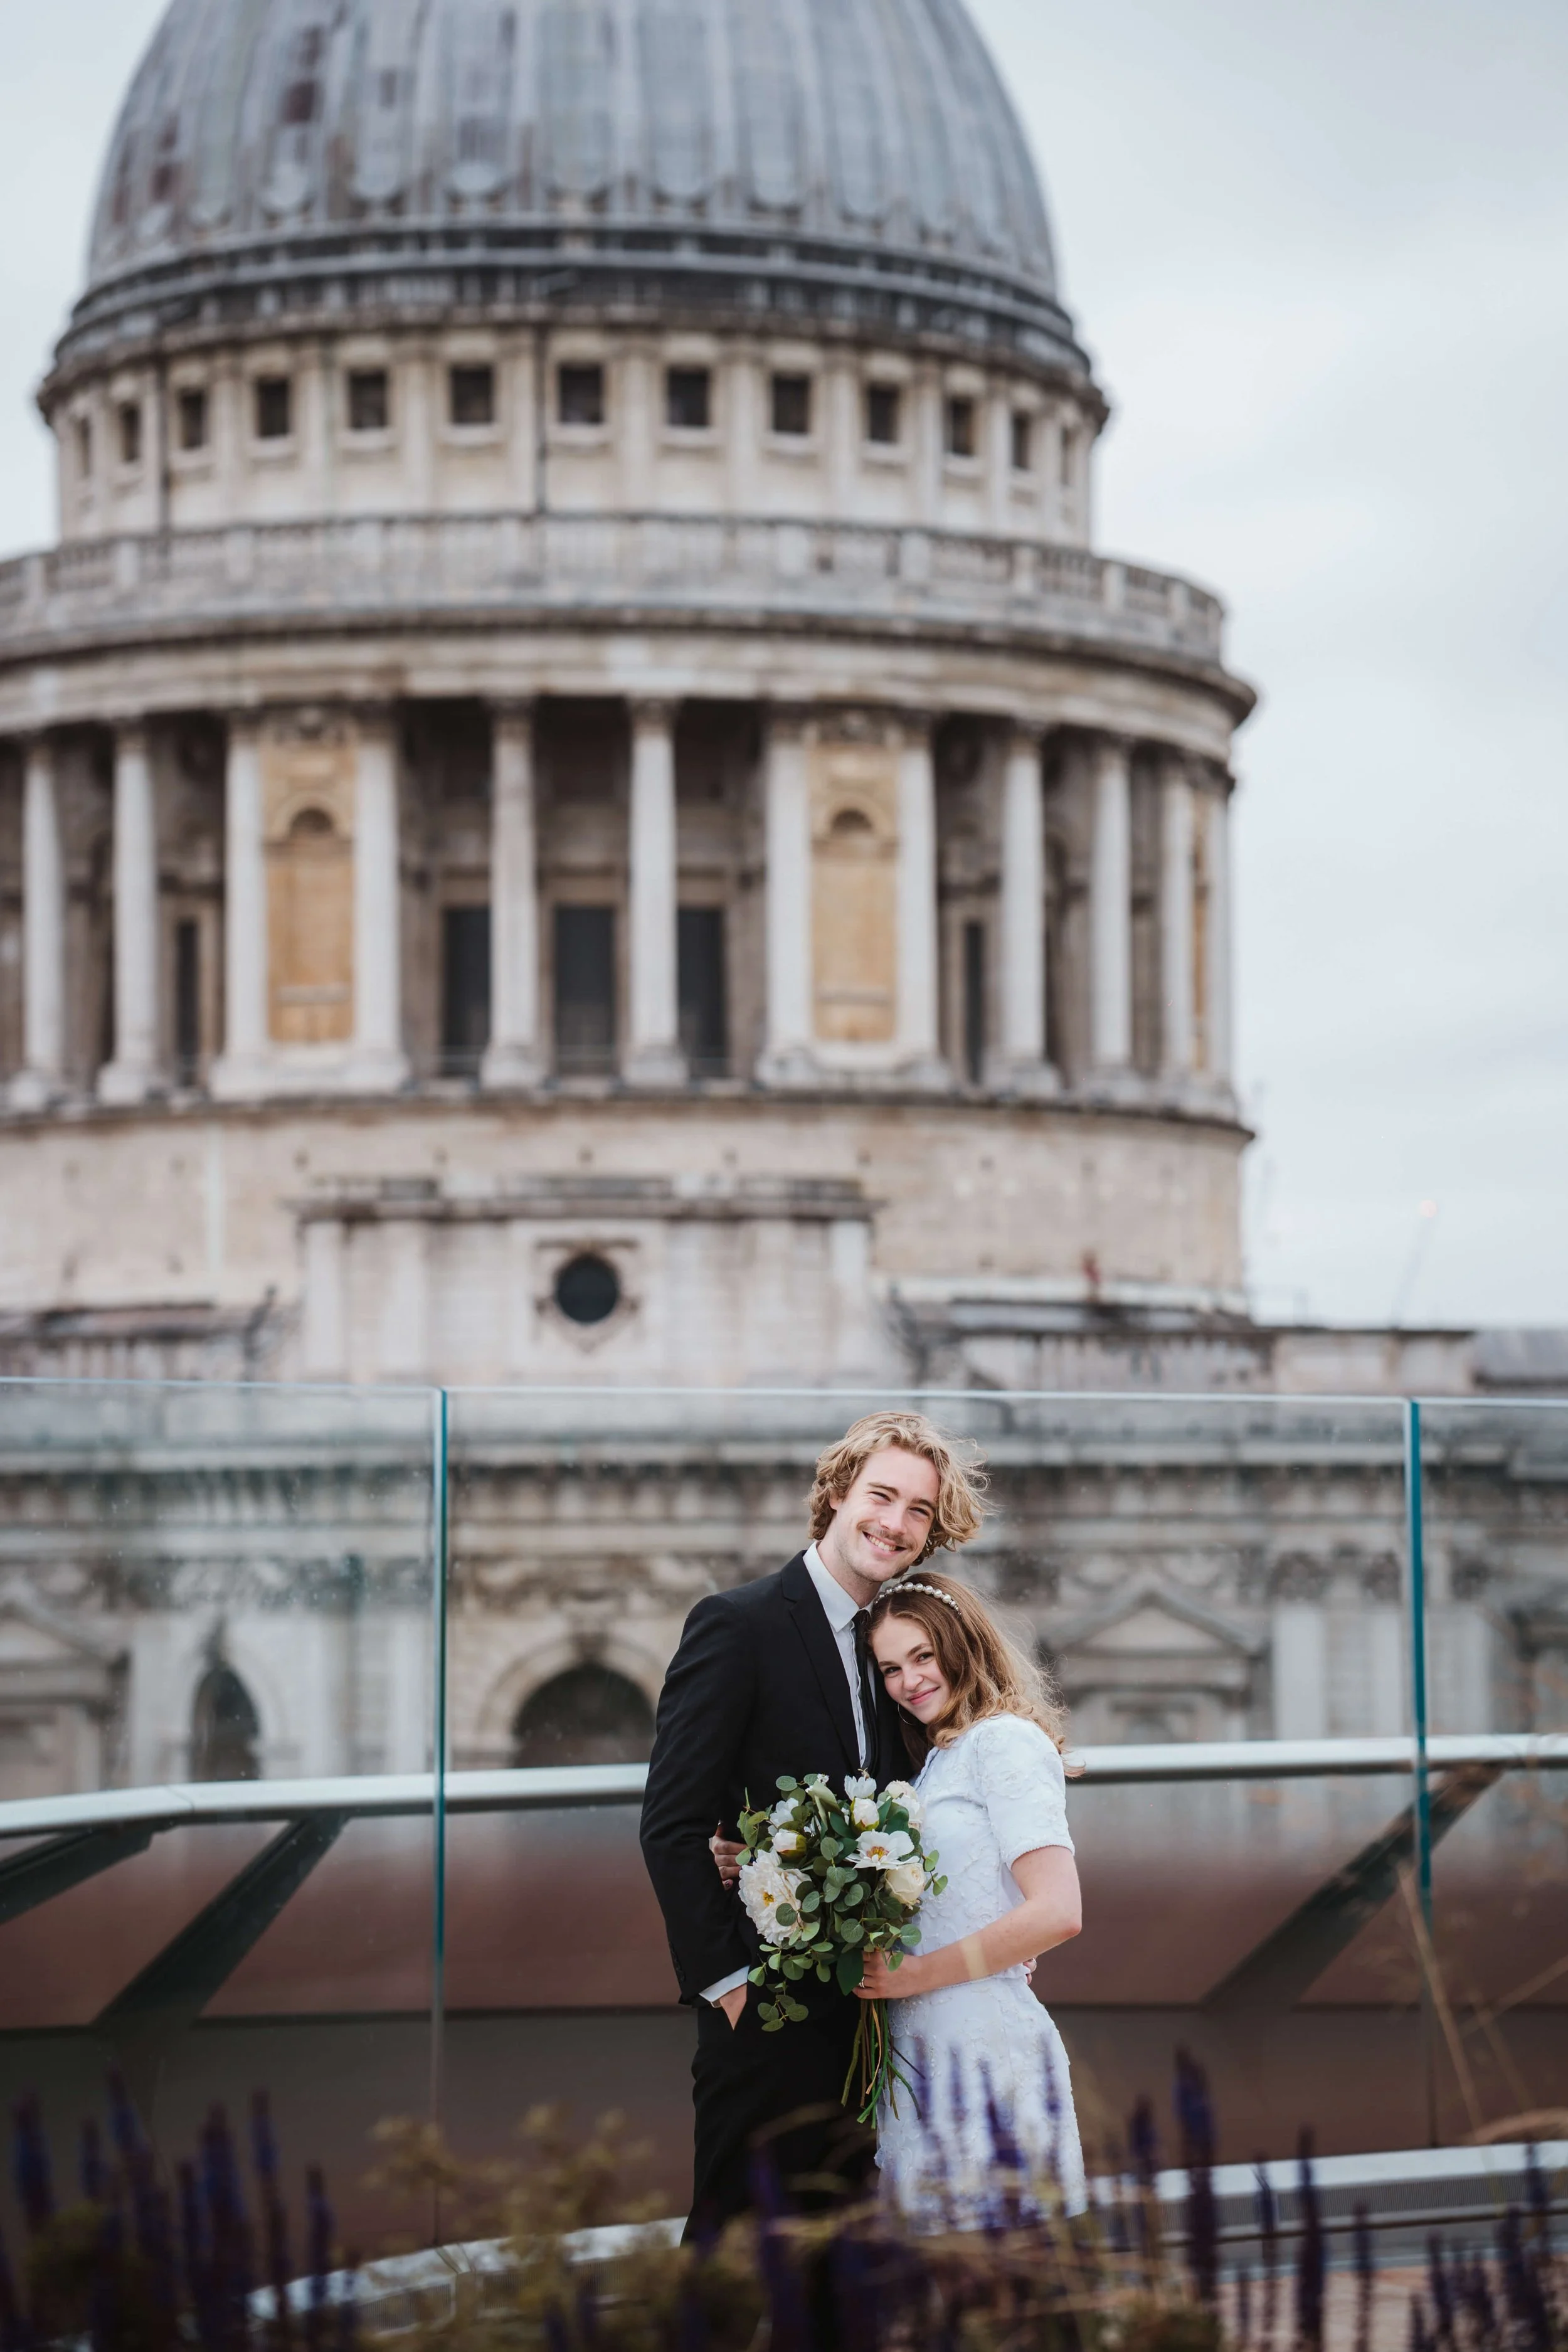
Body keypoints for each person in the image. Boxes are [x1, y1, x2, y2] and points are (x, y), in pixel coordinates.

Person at [639, 1409, 987, 2236]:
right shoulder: (738, 1624)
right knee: (728, 2269)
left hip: (875, 2019)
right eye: (881, 1495)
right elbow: (673, 1821)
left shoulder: (897, 1649)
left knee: (844, 2279)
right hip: (766, 2018)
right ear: (835, 1493)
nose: (895, 1524)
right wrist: (731, 1990)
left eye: (918, 1512)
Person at [858, 1569, 1085, 2222]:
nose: (909, 1681)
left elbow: (1057, 1911)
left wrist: (918, 1974)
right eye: (891, 1668)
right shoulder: (937, 1762)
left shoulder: (1005, 1742)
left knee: (1002, 2282)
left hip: (983, 2046)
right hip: (921, 2047)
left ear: (961, 1644)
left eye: (923, 1656)